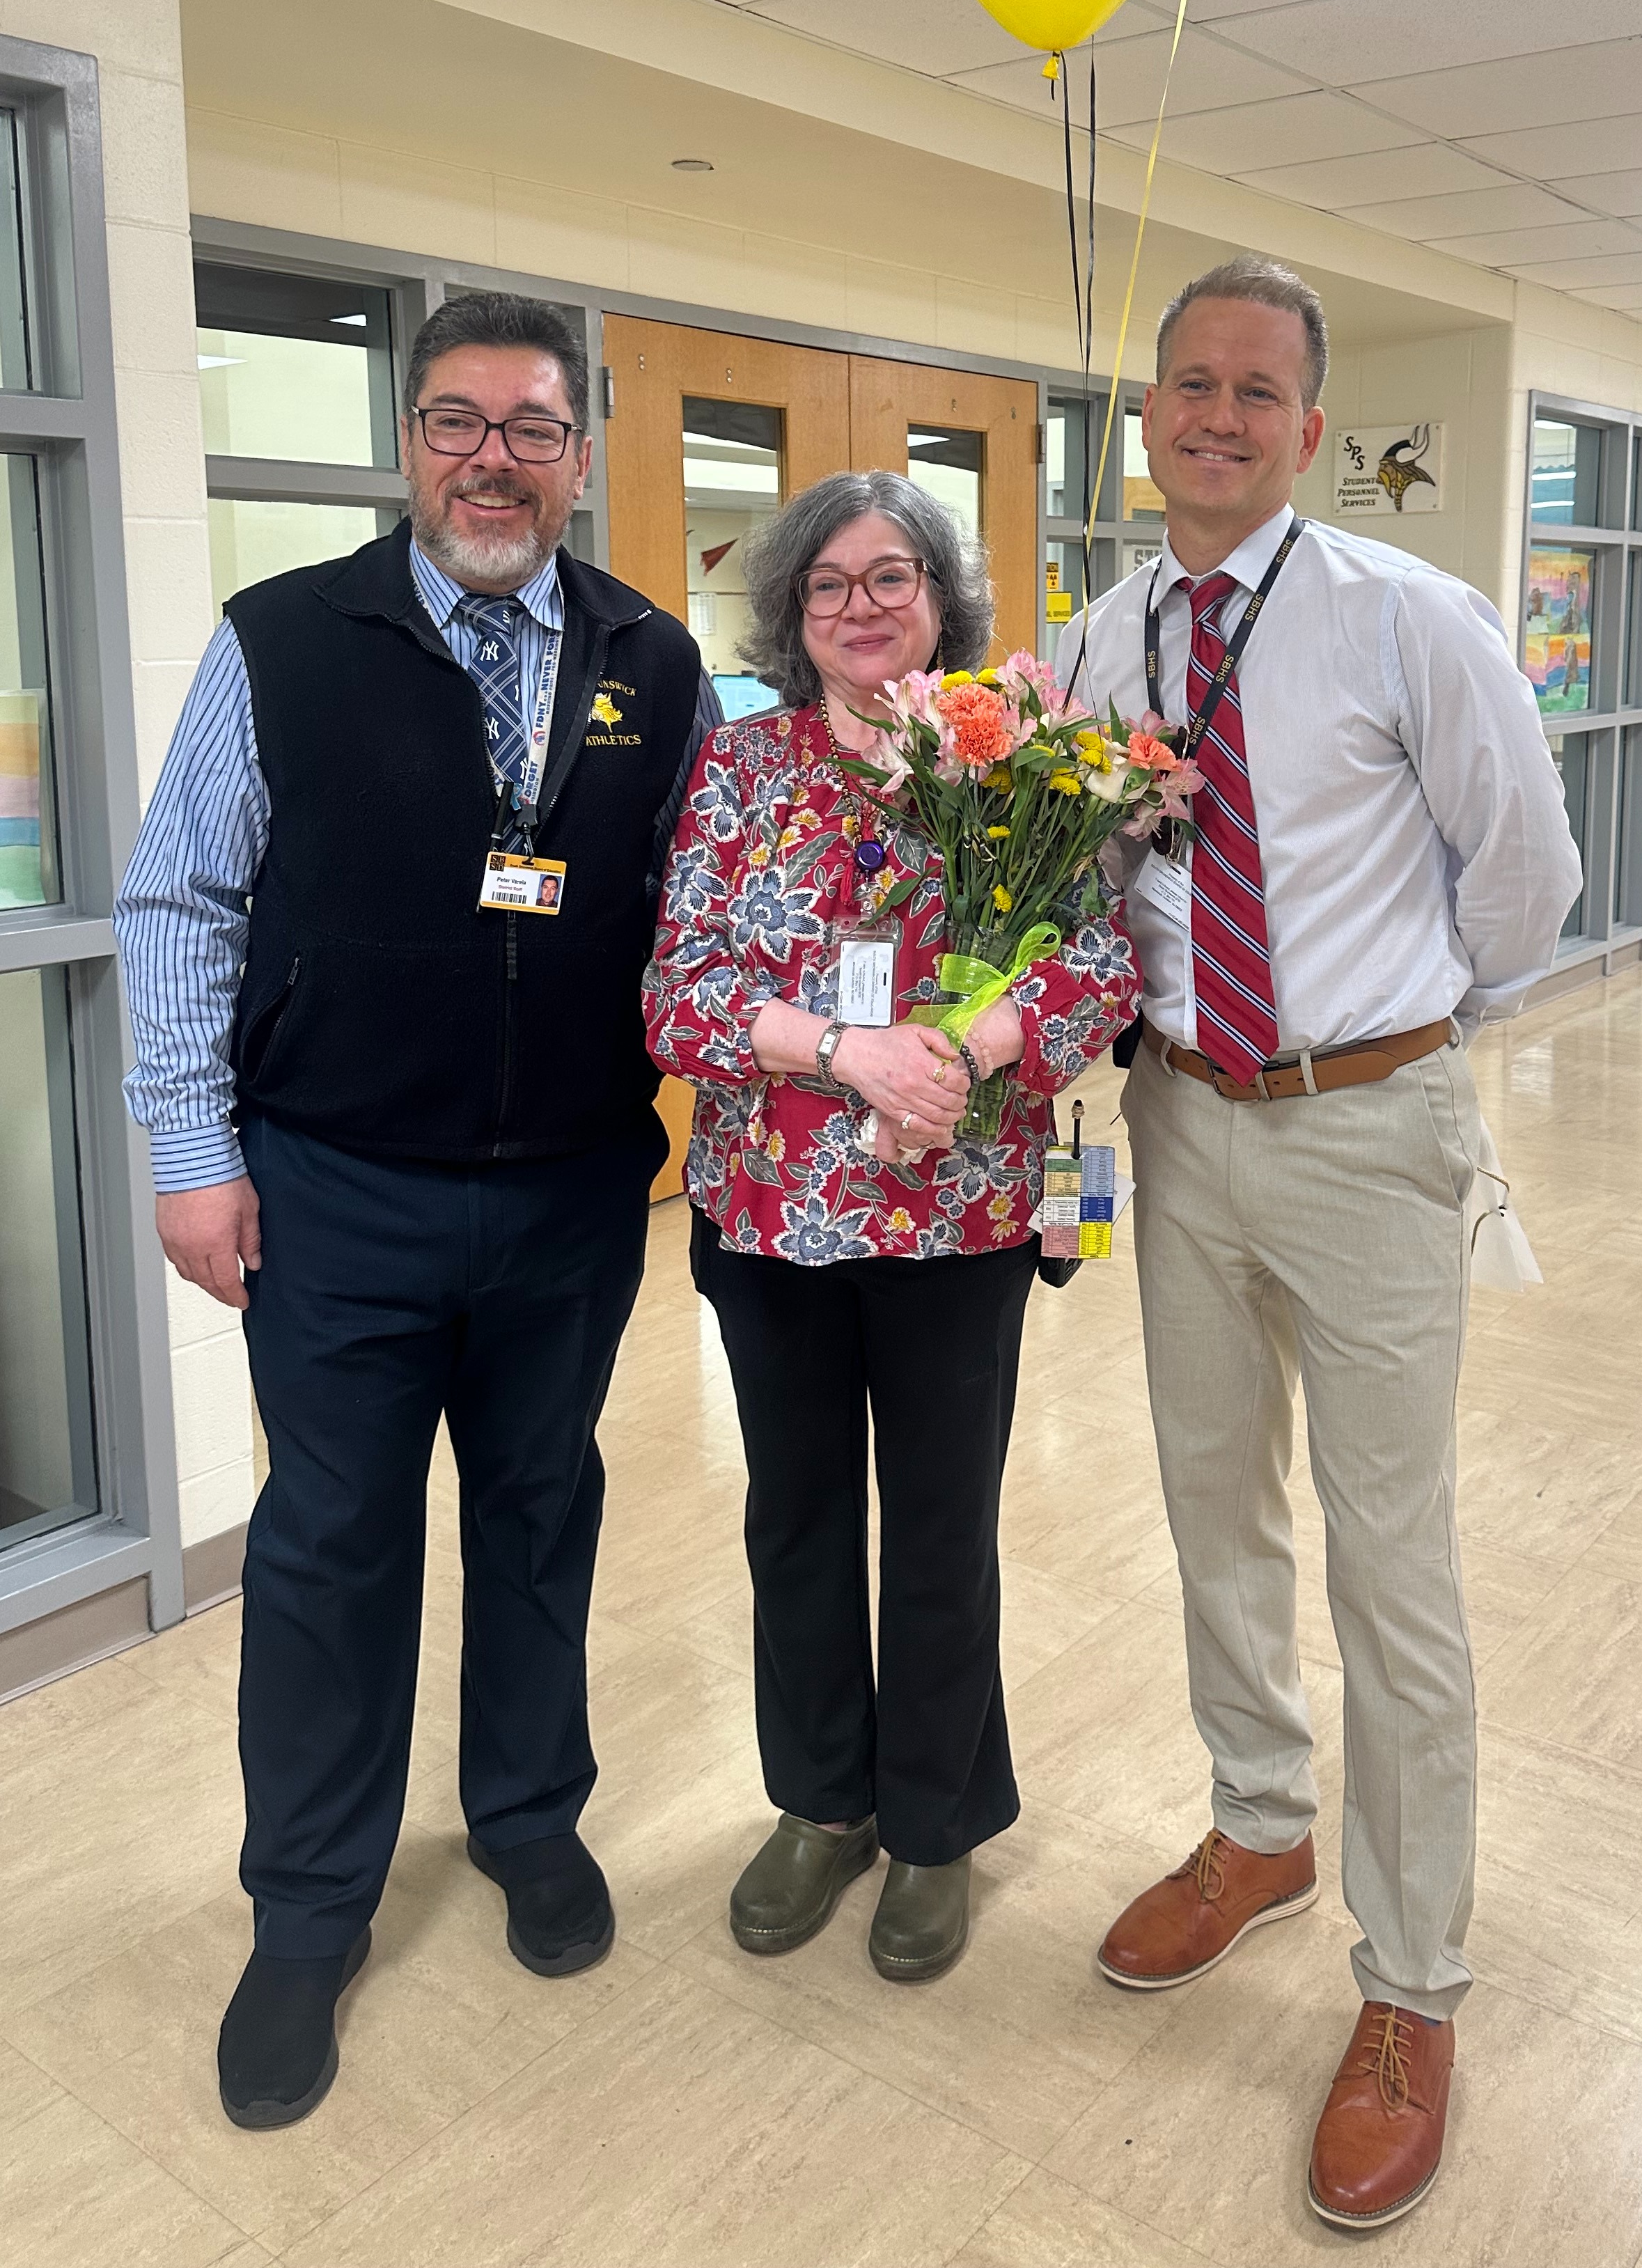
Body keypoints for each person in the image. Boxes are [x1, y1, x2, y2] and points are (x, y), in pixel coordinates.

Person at [115, 291, 717, 2131]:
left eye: (532, 429)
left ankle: (530, 1822)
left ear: (579, 454)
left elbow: (708, 900)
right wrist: (189, 1154)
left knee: (541, 1515)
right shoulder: (284, 640)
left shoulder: (655, 657)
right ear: (409, 444)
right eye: (457, 422)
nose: (492, 460)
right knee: (330, 1549)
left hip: (567, 1203)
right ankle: (307, 1911)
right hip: (335, 1194)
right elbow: (179, 903)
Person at [1068, 255, 1580, 2231]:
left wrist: (1400, 1037)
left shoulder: (1406, 619)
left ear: (1309, 419)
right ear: (1151, 412)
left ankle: (1411, 1982)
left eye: (1256, 390)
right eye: (1187, 384)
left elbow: (1522, 875)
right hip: (1180, 1123)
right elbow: (1096, 875)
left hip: (1368, 1126)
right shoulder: (1102, 643)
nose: (1216, 416)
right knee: (1216, 1506)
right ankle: (1259, 1826)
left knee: (1393, 1562)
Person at [645, 471, 1139, 1984]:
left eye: (893, 578)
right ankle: (820, 1806)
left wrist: (977, 1048)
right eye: (830, 586)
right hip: (775, 1217)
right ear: (794, 614)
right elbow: (673, 992)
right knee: (792, 1523)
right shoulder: (736, 766)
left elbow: (1104, 962)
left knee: (941, 1532)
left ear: (943, 598)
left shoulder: (1020, 760)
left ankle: (935, 1826)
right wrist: (839, 1049)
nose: (863, 608)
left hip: (963, 1220)